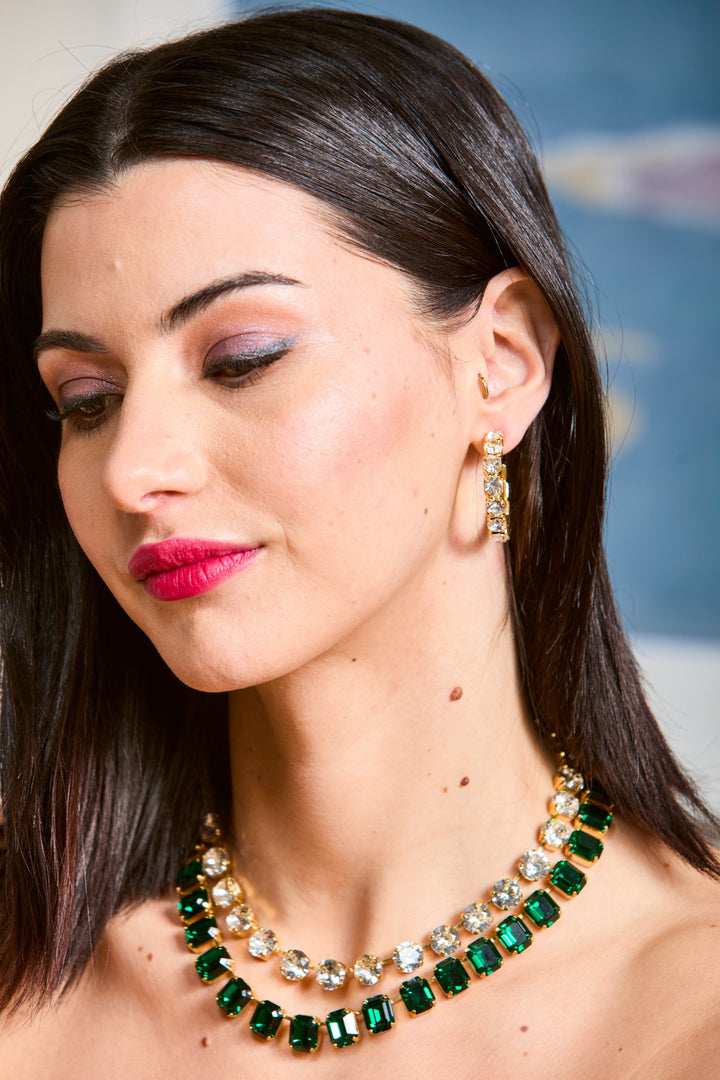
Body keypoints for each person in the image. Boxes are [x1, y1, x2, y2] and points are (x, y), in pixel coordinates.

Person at [0, 7, 718, 1077]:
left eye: (242, 358)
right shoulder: (28, 981)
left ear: (502, 363)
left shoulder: (691, 1011)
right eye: (88, 400)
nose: (130, 470)